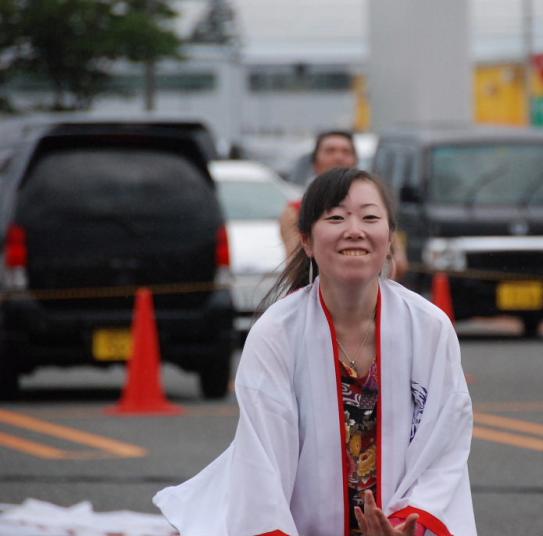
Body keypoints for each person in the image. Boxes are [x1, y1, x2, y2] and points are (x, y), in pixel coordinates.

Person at [154, 168, 476, 536]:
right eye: (336, 218)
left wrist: (406, 526)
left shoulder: (429, 327)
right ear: (306, 241)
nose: (354, 230)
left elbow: (444, 444)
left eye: (370, 218)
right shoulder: (276, 333)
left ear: (389, 239)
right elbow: (261, 463)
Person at [279, 130, 408, 279]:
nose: (338, 157)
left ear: (355, 161)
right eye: (330, 151)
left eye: (346, 152)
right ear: (315, 162)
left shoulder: (376, 207)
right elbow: (295, 267)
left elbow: (400, 263)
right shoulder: (296, 211)